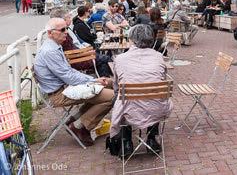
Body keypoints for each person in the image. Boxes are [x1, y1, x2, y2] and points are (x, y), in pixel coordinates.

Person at [34, 18, 114, 147]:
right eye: (62, 30)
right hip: (59, 94)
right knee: (112, 96)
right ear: (50, 33)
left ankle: (75, 120)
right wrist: (93, 79)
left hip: (63, 87)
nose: (66, 32)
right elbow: (69, 76)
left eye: (66, 28)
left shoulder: (54, 47)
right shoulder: (50, 51)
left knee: (110, 83)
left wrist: (93, 80)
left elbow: (69, 72)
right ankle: (81, 127)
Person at [109, 24, 173, 156]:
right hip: (157, 109)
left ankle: (126, 141)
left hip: (129, 111)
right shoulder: (158, 57)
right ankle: (151, 138)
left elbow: (116, 86)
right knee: (154, 97)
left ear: (132, 39)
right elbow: (162, 77)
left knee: (120, 97)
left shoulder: (120, 59)